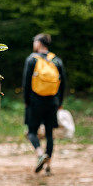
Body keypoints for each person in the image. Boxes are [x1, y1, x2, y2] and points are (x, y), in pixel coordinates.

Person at [22, 33, 66, 174]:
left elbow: (26, 84)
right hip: (52, 101)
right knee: (49, 134)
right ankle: (48, 167)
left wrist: (26, 102)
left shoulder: (31, 60)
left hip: (35, 102)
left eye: (35, 41)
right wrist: (59, 102)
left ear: (39, 43)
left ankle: (40, 154)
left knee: (32, 132)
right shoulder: (57, 60)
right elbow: (63, 83)